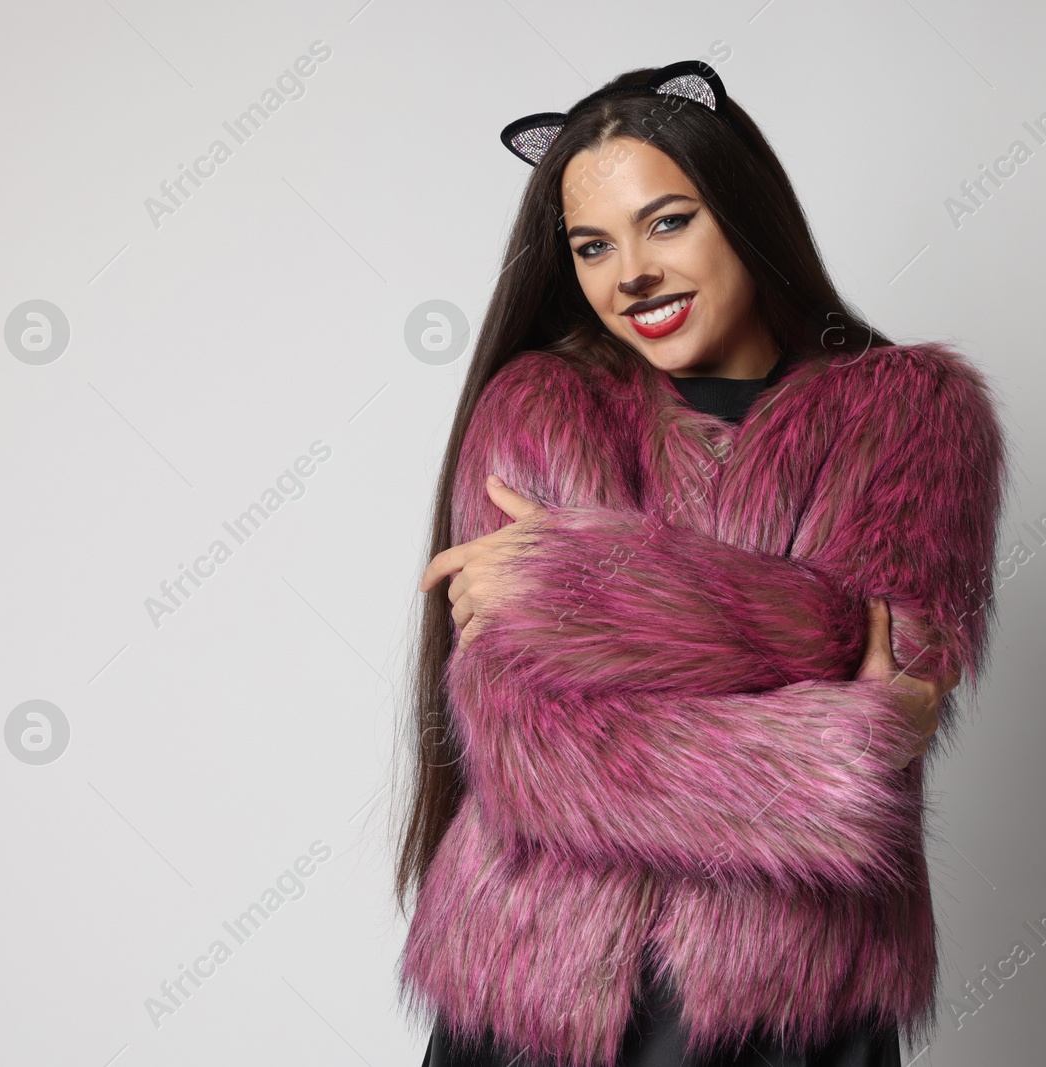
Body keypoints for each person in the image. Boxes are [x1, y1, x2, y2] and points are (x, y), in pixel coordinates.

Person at [395, 60, 1010, 1067]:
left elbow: (900, 677)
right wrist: (828, 749)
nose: (628, 272)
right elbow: (530, 748)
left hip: (794, 1005)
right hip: (535, 998)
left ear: (742, 211)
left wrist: (572, 585)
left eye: (666, 221)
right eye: (593, 245)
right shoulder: (540, 407)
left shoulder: (909, 415)